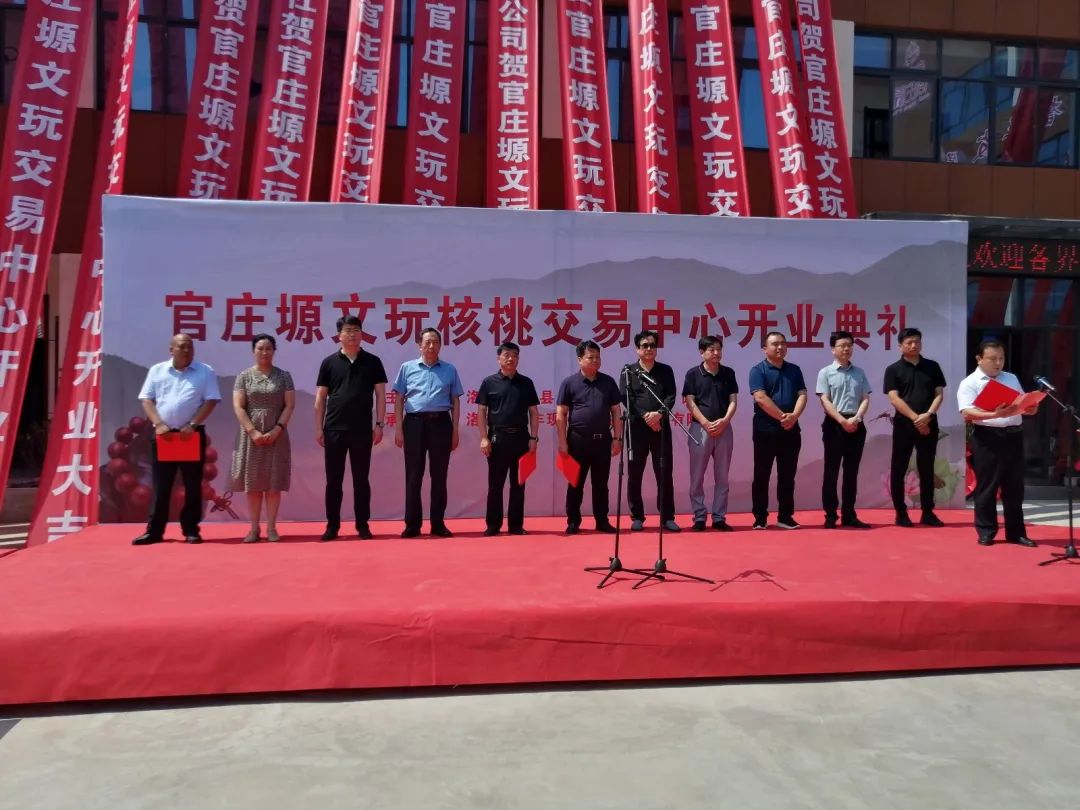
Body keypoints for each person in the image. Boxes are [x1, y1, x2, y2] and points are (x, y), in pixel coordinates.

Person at [133, 333, 222, 545]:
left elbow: (211, 400)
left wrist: (193, 424)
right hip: (164, 436)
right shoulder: (157, 370)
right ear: (171, 350)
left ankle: (191, 530)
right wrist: (158, 423)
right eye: (182, 346)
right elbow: (147, 399)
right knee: (161, 486)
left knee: (192, 485)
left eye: (190, 346)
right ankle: (154, 531)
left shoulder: (205, 371)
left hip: (190, 435)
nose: (187, 350)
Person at [957, 340, 1038, 547]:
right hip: (988, 437)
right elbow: (966, 412)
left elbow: (1020, 402)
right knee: (988, 486)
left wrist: (1030, 408)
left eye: (1001, 358)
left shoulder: (1011, 378)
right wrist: (995, 414)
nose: (998, 363)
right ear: (979, 359)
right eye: (993, 359)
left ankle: (1016, 533)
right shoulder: (970, 382)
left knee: (1014, 487)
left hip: (1013, 435)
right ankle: (986, 531)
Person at [314, 315, 387, 541]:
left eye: (356, 330)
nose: (352, 334)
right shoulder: (329, 362)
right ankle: (332, 526)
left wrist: (379, 424)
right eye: (347, 330)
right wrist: (319, 428)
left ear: (362, 333)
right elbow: (321, 398)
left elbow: (381, 395)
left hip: (362, 430)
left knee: (361, 479)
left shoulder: (373, 361)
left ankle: (362, 525)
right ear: (339, 335)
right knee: (333, 480)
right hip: (334, 428)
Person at [393, 327, 463, 538]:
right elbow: (399, 399)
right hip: (414, 424)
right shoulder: (407, 368)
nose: (432, 346)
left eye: (436, 342)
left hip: (441, 424)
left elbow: (455, 401)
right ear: (419, 345)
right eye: (428, 342)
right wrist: (398, 429)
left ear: (440, 345)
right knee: (413, 475)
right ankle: (412, 525)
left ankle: (438, 523)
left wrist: (455, 430)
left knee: (439, 475)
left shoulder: (449, 369)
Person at [230, 334, 296, 543]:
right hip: (251, 436)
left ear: (274, 351)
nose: (264, 352)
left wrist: (277, 429)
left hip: (277, 435)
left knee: (274, 483)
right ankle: (253, 528)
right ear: (253, 351)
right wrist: (252, 431)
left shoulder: (284, 376)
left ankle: (272, 527)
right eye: (260, 348)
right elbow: (238, 406)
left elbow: (289, 405)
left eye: (268, 348)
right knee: (254, 484)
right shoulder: (244, 376)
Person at [556, 340, 622, 535]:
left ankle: (602, 520)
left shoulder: (608, 382)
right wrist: (562, 442)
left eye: (597, 357)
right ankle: (573, 521)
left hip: (603, 440)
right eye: (590, 357)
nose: (595, 361)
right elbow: (561, 414)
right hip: (577, 440)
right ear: (579, 360)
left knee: (601, 484)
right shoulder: (569, 383)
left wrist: (617, 438)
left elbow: (616, 412)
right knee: (575, 482)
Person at [884, 327, 946, 528]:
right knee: (899, 468)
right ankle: (901, 513)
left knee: (926, 468)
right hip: (904, 425)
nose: (913, 345)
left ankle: (928, 512)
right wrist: (915, 418)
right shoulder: (893, 369)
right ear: (900, 346)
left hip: (929, 423)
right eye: (909, 342)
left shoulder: (932, 367)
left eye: (917, 342)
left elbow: (939, 394)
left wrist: (928, 415)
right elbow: (894, 398)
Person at [620, 330, 681, 533]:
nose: (649, 349)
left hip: (661, 428)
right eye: (644, 345)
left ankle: (667, 517)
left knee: (664, 473)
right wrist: (647, 417)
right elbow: (626, 398)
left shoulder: (665, 370)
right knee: (634, 474)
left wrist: (659, 415)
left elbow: (671, 396)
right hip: (637, 429)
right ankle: (637, 516)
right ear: (637, 349)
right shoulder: (628, 371)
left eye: (652, 345)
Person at [477, 342, 540, 536]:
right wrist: (484, 438)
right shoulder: (489, 382)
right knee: (495, 484)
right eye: (506, 355)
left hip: (521, 438)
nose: (511, 358)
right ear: (499, 358)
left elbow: (533, 412)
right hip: (498, 438)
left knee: (518, 483)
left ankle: (515, 525)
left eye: (514, 355)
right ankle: (493, 525)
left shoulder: (526, 383)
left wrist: (533, 437)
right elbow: (481, 411)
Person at [749, 332, 807, 530]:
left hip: (791, 429)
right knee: (762, 473)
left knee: (787, 474)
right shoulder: (758, 370)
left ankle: (785, 516)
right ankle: (760, 517)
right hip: (765, 429)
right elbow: (760, 398)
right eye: (775, 344)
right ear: (765, 348)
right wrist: (783, 417)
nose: (780, 347)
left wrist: (794, 416)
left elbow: (802, 394)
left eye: (783, 343)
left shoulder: (794, 370)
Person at [815, 330, 872, 529]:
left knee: (851, 472)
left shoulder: (859, 373)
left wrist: (857, 418)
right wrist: (842, 421)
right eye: (842, 346)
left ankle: (849, 514)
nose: (846, 349)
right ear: (833, 349)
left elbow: (865, 398)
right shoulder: (825, 373)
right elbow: (825, 400)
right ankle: (831, 515)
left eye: (849, 345)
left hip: (856, 423)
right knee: (831, 471)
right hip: (834, 425)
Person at [682, 335, 738, 532]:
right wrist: (705, 423)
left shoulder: (728, 373)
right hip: (700, 429)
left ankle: (719, 517)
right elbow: (690, 402)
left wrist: (725, 421)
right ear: (702, 352)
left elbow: (733, 400)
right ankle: (699, 516)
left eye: (718, 349)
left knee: (722, 477)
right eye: (711, 350)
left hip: (724, 428)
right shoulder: (693, 374)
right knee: (697, 476)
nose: (716, 353)